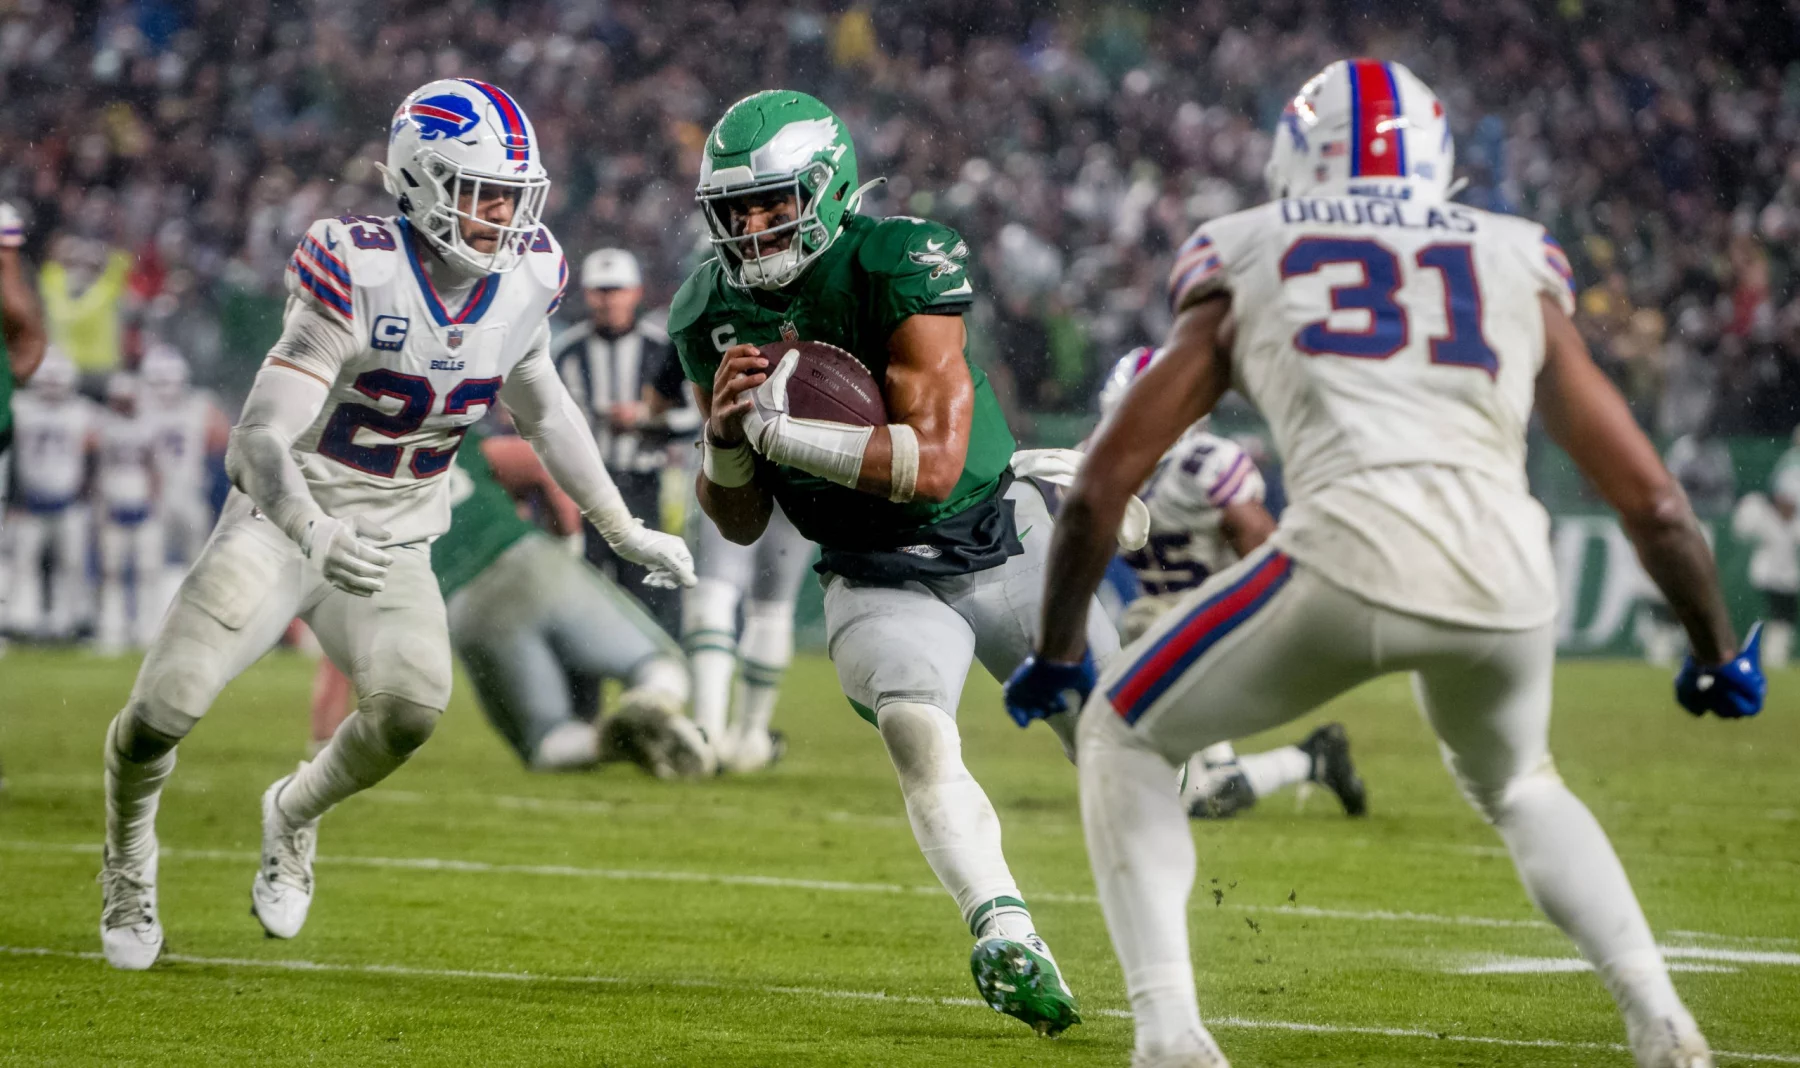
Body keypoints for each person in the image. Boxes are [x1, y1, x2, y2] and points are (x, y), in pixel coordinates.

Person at [1005, 59, 1761, 1068]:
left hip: (1345, 553)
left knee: (1120, 730)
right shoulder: (1511, 256)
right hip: (1509, 576)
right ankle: (1662, 1023)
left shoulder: (1252, 248)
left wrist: (1060, 651)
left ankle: (1169, 1035)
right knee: (1526, 788)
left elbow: (1103, 483)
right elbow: (1656, 504)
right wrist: (1717, 650)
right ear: (1438, 162)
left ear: (1291, 157)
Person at [96, 78, 695, 972]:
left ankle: (293, 814)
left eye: (512, 193)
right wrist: (308, 527)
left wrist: (620, 526)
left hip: (397, 533)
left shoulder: (527, 277)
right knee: (162, 708)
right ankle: (127, 858)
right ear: (420, 182)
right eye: (481, 191)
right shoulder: (360, 267)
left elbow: (547, 410)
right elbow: (257, 437)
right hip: (280, 518)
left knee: (414, 707)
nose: (502, 214)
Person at [671, 89, 1121, 1037]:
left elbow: (936, 465)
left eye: (773, 203)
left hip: (998, 541)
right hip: (871, 568)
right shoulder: (705, 311)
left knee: (1133, 754)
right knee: (917, 731)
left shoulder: (897, 260)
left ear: (829, 190)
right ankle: (1005, 930)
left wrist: (787, 437)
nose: (752, 229)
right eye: (735, 211)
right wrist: (723, 444)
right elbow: (743, 524)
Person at [309, 428, 707, 775]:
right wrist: (569, 541)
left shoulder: (341, 486)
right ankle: (652, 702)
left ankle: (606, 743)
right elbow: (534, 463)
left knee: (546, 742)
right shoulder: (437, 432)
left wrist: (323, 740)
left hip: (463, 606)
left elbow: (346, 631)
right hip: (526, 558)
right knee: (660, 664)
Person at [1095, 348, 1365, 820]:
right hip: (1172, 639)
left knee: (1150, 621)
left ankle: (1231, 766)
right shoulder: (1102, 471)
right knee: (1182, 789)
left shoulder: (1201, 467)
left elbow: (1263, 549)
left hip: (1222, 626)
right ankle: (1310, 759)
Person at [553, 247, 699, 635]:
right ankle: (584, 695)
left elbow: (697, 418)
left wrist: (645, 419)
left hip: (644, 485)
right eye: (600, 290)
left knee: (650, 598)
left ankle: (660, 684)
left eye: (616, 289)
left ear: (636, 292)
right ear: (586, 294)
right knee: (579, 602)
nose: (608, 299)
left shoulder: (661, 347)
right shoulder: (566, 352)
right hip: (581, 489)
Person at [682, 503, 811, 773]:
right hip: (806, 473)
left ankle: (707, 732)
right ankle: (750, 736)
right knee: (773, 608)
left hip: (740, 464)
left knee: (714, 589)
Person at [6, 351, 96, 640]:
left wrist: (86, 494)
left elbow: (92, 455)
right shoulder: (20, 408)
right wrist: (15, 497)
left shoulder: (83, 411)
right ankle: (23, 620)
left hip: (67, 500)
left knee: (72, 563)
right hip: (30, 502)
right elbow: (13, 455)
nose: (53, 388)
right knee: (24, 563)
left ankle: (70, 621)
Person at [138, 344, 230, 619]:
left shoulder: (197, 404)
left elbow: (222, 437)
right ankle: (164, 619)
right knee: (158, 562)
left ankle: (191, 618)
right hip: (165, 494)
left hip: (184, 491)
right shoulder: (198, 404)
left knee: (195, 560)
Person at [93, 372, 162, 653]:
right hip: (113, 502)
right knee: (112, 574)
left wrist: (155, 501)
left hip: (141, 505)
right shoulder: (103, 425)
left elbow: (154, 469)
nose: (123, 404)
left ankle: (146, 629)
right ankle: (113, 629)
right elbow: (96, 466)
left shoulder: (148, 426)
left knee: (146, 572)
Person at [1731, 466, 1800, 668]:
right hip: (1766, 575)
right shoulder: (1762, 514)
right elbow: (1741, 531)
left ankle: (1776, 655)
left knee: (1785, 617)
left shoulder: (1795, 522)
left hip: (1788, 577)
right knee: (1773, 615)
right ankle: (1763, 654)